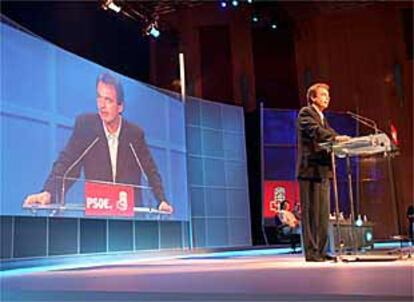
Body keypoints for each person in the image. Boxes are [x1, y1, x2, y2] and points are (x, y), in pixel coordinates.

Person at [23, 72, 173, 214]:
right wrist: (48, 191)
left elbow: (150, 171)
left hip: (131, 219)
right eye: (99, 98)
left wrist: (161, 200)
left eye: (108, 100)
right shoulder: (86, 126)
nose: (102, 105)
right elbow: (66, 162)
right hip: (99, 218)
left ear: (120, 106)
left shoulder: (135, 135)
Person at [296, 83, 350, 262]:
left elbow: (329, 133)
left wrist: (344, 142)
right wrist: (335, 138)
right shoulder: (306, 113)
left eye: (328, 95)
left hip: (323, 171)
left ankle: (322, 250)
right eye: (323, 95)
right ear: (313, 97)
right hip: (310, 170)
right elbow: (317, 132)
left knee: (322, 214)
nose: (327, 98)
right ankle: (312, 253)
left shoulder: (323, 118)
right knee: (311, 213)